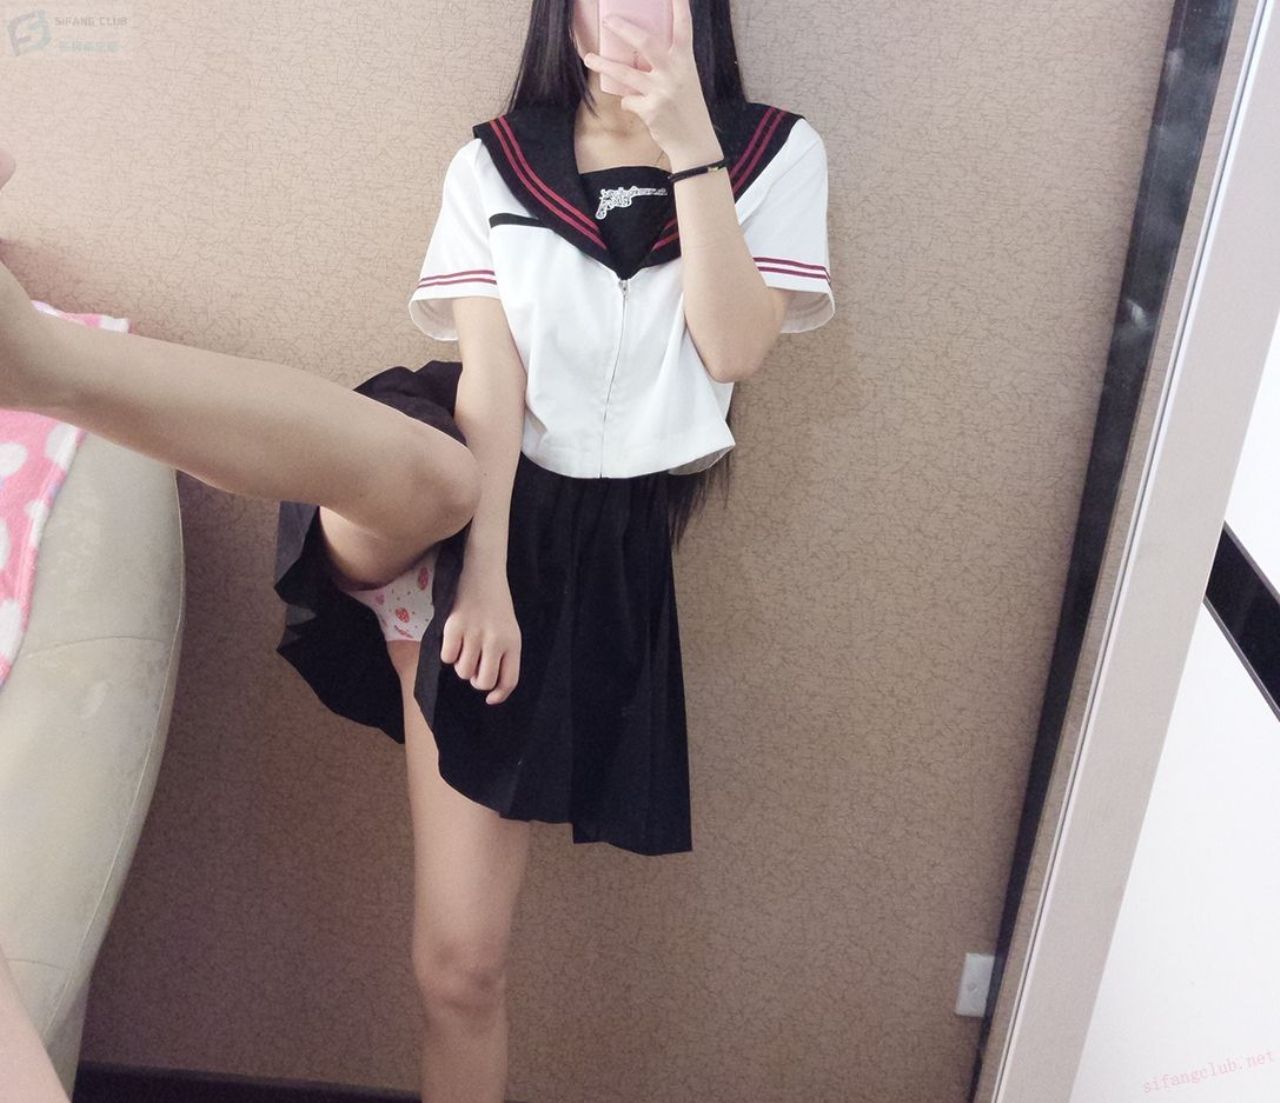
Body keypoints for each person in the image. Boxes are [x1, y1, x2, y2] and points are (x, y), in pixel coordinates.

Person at [0, 0, 832, 1097]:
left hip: (588, 564)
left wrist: (689, 147)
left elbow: (733, 347)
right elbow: (492, 382)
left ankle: (44, 362)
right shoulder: (497, 162)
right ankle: (43, 360)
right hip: (456, 500)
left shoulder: (771, 154)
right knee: (439, 476)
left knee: (459, 968)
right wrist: (482, 577)